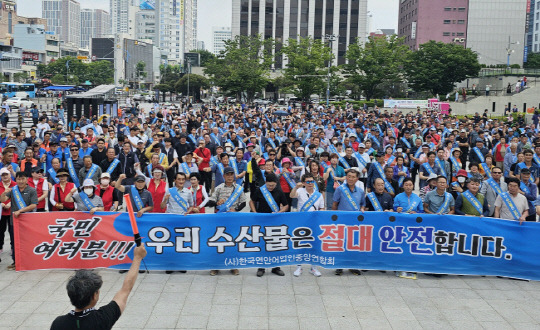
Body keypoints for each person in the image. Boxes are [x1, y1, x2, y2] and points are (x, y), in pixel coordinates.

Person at [50, 244, 147, 330]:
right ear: (94, 296)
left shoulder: (58, 323)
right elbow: (126, 289)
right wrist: (137, 258)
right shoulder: (103, 318)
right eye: (97, 291)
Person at [207, 167, 247, 276]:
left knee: (233, 242)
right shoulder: (219, 188)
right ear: (224, 176)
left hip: (233, 219)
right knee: (218, 242)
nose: (229, 177)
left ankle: (233, 266)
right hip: (219, 219)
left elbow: (243, 203)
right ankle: (216, 266)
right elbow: (210, 202)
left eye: (231, 174)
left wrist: (236, 209)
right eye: (227, 175)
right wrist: (217, 203)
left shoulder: (238, 188)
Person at [249, 173, 288, 277]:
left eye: (272, 186)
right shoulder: (260, 190)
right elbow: (251, 201)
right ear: (266, 183)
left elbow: (286, 206)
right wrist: (254, 212)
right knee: (262, 244)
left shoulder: (279, 191)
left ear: (276, 184)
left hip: (275, 222)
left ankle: (276, 267)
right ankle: (261, 267)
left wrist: (280, 212)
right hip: (262, 221)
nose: (270, 187)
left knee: (275, 244)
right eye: (269, 185)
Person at [0, 171, 38, 270]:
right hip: (15, 221)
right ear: (15, 180)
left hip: (28, 221)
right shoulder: (13, 190)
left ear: (27, 179)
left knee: (28, 242)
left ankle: (30, 261)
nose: (20, 181)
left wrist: (20, 210)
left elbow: (33, 205)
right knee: (14, 242)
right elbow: (2, 200)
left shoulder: (32, 190)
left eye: (23, 179)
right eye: (18, 179)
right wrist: (4, 192)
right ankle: (16, 262)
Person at [289, 173, 324, 277]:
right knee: (300, 244)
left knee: (314, 245)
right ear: (304, 183)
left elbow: (322, 208)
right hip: (301, 222)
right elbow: (291, 195)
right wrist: (295, 187)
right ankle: (299, 267)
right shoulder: (300, 191)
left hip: (314, 222)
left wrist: (320, 215)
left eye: (312, 181)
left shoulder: (318, 195)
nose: (310, 183)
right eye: (308, 182)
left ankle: (314, 267)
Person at [332, 169, 364, 276]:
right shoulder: (340, 189)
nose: (350, 179)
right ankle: (339, 266)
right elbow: (335, 204)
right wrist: (333, 219)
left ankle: (352, 266)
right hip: (342, 221)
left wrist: (363, 208)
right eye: (349, 176)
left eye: (353, 177)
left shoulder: (360, 191)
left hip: (355, 224)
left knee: (353, 245)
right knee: (341, 244)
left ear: (357, 179)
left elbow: (362, 204)